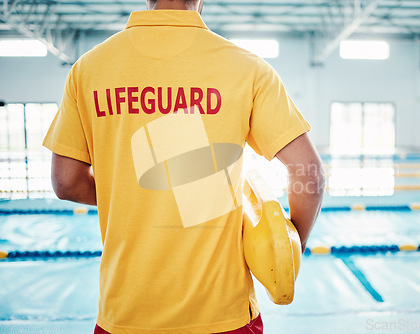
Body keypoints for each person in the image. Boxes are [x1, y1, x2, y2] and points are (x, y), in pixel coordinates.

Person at [43, 0, 325, 333]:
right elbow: (308, 173)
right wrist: (288, 249)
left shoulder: (89, 69)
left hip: (125, 314)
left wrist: (131, 196)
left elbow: (66, 182)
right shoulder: (245, 68)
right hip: (224, 314)